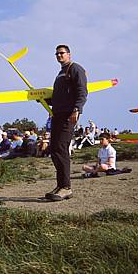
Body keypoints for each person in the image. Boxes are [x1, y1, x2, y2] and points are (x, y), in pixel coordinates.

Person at [46, 44, 87, 201]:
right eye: (56, 54)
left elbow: (82, 91)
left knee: (62, 148)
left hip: (68, 115)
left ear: (69, 54)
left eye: (61, 53)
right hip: (57, 114)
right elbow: (59, 97)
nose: (59, 56)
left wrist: (77, 109)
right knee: (54, 149)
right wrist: (42, 99)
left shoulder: (75, 69)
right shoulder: (60, 73)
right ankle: (60, 185)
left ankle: (66, 188)